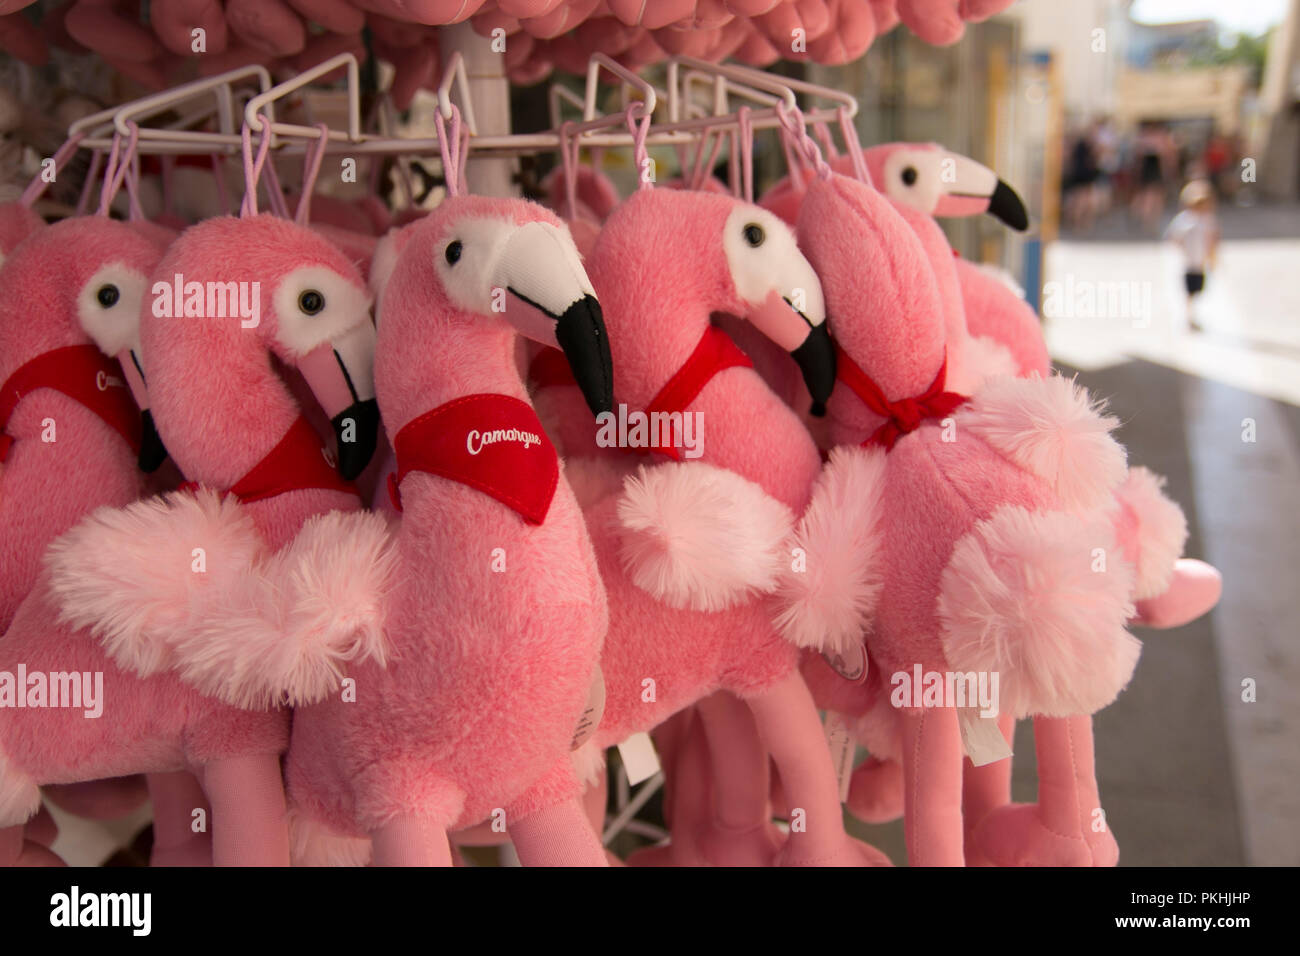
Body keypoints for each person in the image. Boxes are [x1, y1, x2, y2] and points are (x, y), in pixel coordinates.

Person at [1164, 180, 1219, 331]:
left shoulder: (1208, 220)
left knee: (1198, 291)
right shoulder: (1185, 220)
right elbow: (1174, 237)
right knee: (1189, 292)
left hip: (1200, 262)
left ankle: (1192, 315)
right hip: (1189, 263)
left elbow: (1213, 240)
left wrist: (1212, 258)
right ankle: (1189, 317)